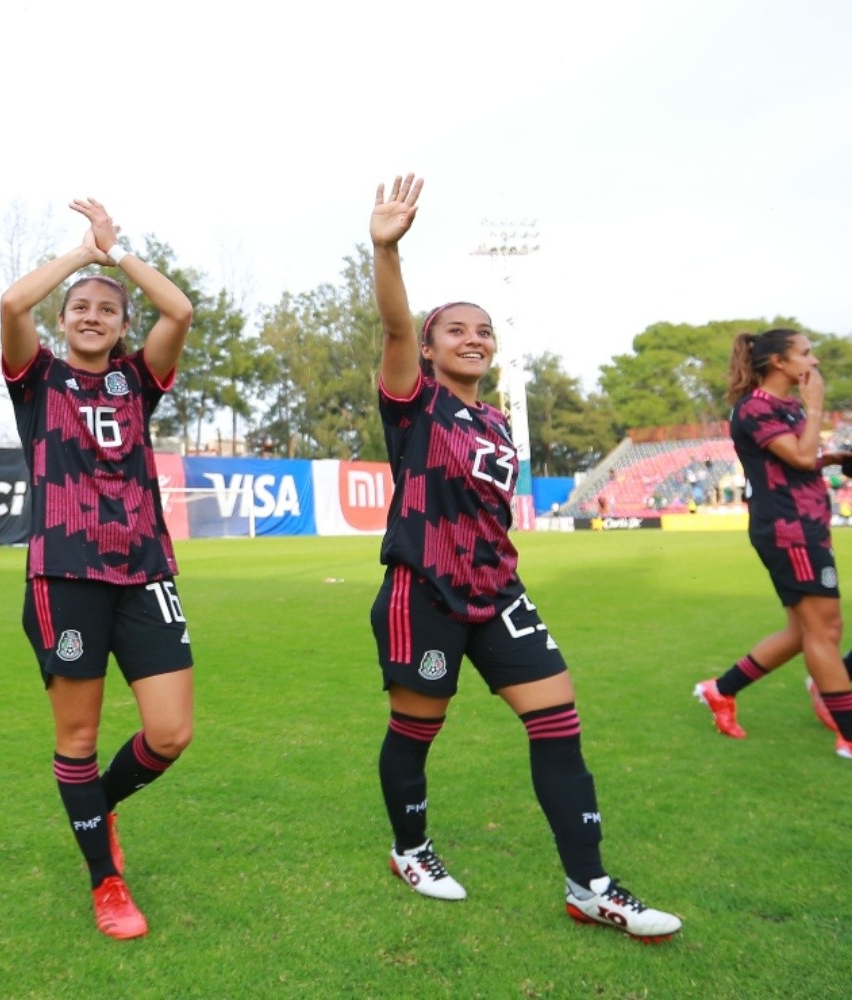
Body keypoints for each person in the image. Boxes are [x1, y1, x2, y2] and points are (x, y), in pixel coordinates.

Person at [368, 173, 682, 942]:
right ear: (433, 348)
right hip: (424, 592)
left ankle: (591, 885)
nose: (474, 339)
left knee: (558, 721)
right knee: (417, 729)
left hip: (498, 590)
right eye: (457, 331)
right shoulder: (417, 402)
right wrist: (386, 251)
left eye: (484, 333)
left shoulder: (499, 421)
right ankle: (410, 849)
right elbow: (396, 331)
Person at [0, 197, 195, 939]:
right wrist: (82, 255)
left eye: (105, 310)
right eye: (79, 307)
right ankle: (106, 880)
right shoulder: (36, 377)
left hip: (146, 573)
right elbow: (13, 299)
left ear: (120, 326)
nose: (90, 315)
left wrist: (119, 259)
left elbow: (177, 309)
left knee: (171, 734)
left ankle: (100, 805)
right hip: (65, 577)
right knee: (76, 738)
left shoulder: (138, 381)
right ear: (63, 319)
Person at [694, 329, 852, 758]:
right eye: (805, 353)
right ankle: (848, 733)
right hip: (790, 530)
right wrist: (816, 405)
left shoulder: (785, 408)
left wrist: (833, 459)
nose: (813, 362)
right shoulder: (754, 409)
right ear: (779, 362)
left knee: (806, 630)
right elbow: (798, 458)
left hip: (807, 525)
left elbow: (798, 459)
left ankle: (720, 690)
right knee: (825, 629)